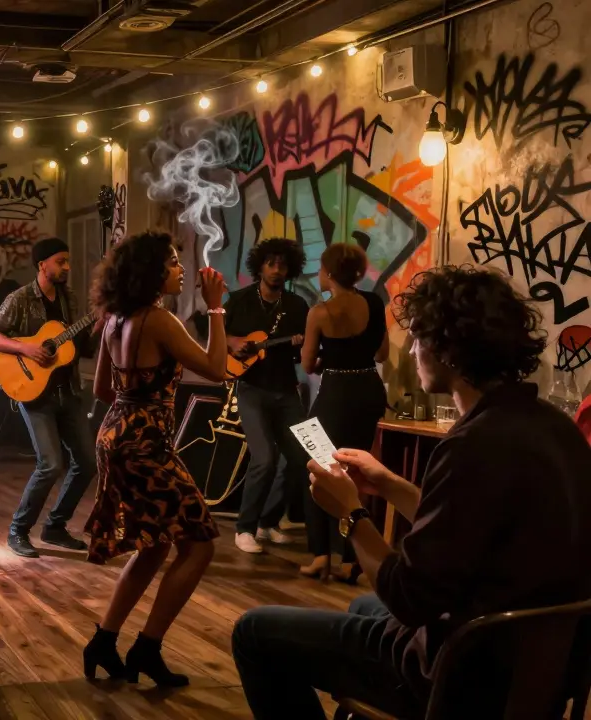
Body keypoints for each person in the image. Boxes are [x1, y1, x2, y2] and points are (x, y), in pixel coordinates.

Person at [232, 265, 591, 719]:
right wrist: (389, 483)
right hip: (538, 667)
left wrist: (351, 515)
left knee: (254, 632)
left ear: (450, 351)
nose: (414, 349)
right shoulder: (553, 427)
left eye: (420, 338)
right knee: (363, 605)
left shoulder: (469, 446)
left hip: (459, 674)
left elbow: (408, 595)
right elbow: (473, 529)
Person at [81, 233, 229, 687]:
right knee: (200, 543)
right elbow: (217, 370)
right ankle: (147, 648)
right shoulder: (160, 321)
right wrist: (216, 309)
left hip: (115, 433)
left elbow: (102, 391)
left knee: (157, 543)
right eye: (171, 262)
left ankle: (105, 641)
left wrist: (138, 398)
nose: (180, 269)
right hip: (145, 442)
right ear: (151, 273)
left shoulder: (113, 320)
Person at [0, 237, 99, 559]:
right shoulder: (20, 299)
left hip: (69, 392)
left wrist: (99, 323)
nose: (67, 267)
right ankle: (18, 531)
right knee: (50, 464)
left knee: (87, 463)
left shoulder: (71, 299)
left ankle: (55, 527)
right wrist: (26, 348)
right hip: (35, 395)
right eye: (61, 261)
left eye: (68, 262)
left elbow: (82, 348)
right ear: (42, 265)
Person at [298, 244, 389, 583]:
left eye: (322, 269)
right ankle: (354, 560)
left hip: (335, 393)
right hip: (368, 391)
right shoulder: (374, 303)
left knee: (316, 466)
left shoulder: (319, 313)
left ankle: (321, 554)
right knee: (356, 471)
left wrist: (329, 357)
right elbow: (382, 353)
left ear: (331, 274)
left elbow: (308, 363)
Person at [223, 237, 309, 555]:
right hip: (251, 389)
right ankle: (244, 528)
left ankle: (267, 524)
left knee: (299, 457)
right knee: (265, 458)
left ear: (290, 270)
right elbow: (215, 335)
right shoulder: (240, 300)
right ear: (260, 266)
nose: (276, 270)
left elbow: (305, 353)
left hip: (286, 389)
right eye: (271, 264)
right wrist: (233, 342)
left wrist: (301, 343)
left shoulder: (297, 307)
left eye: (282, 265)